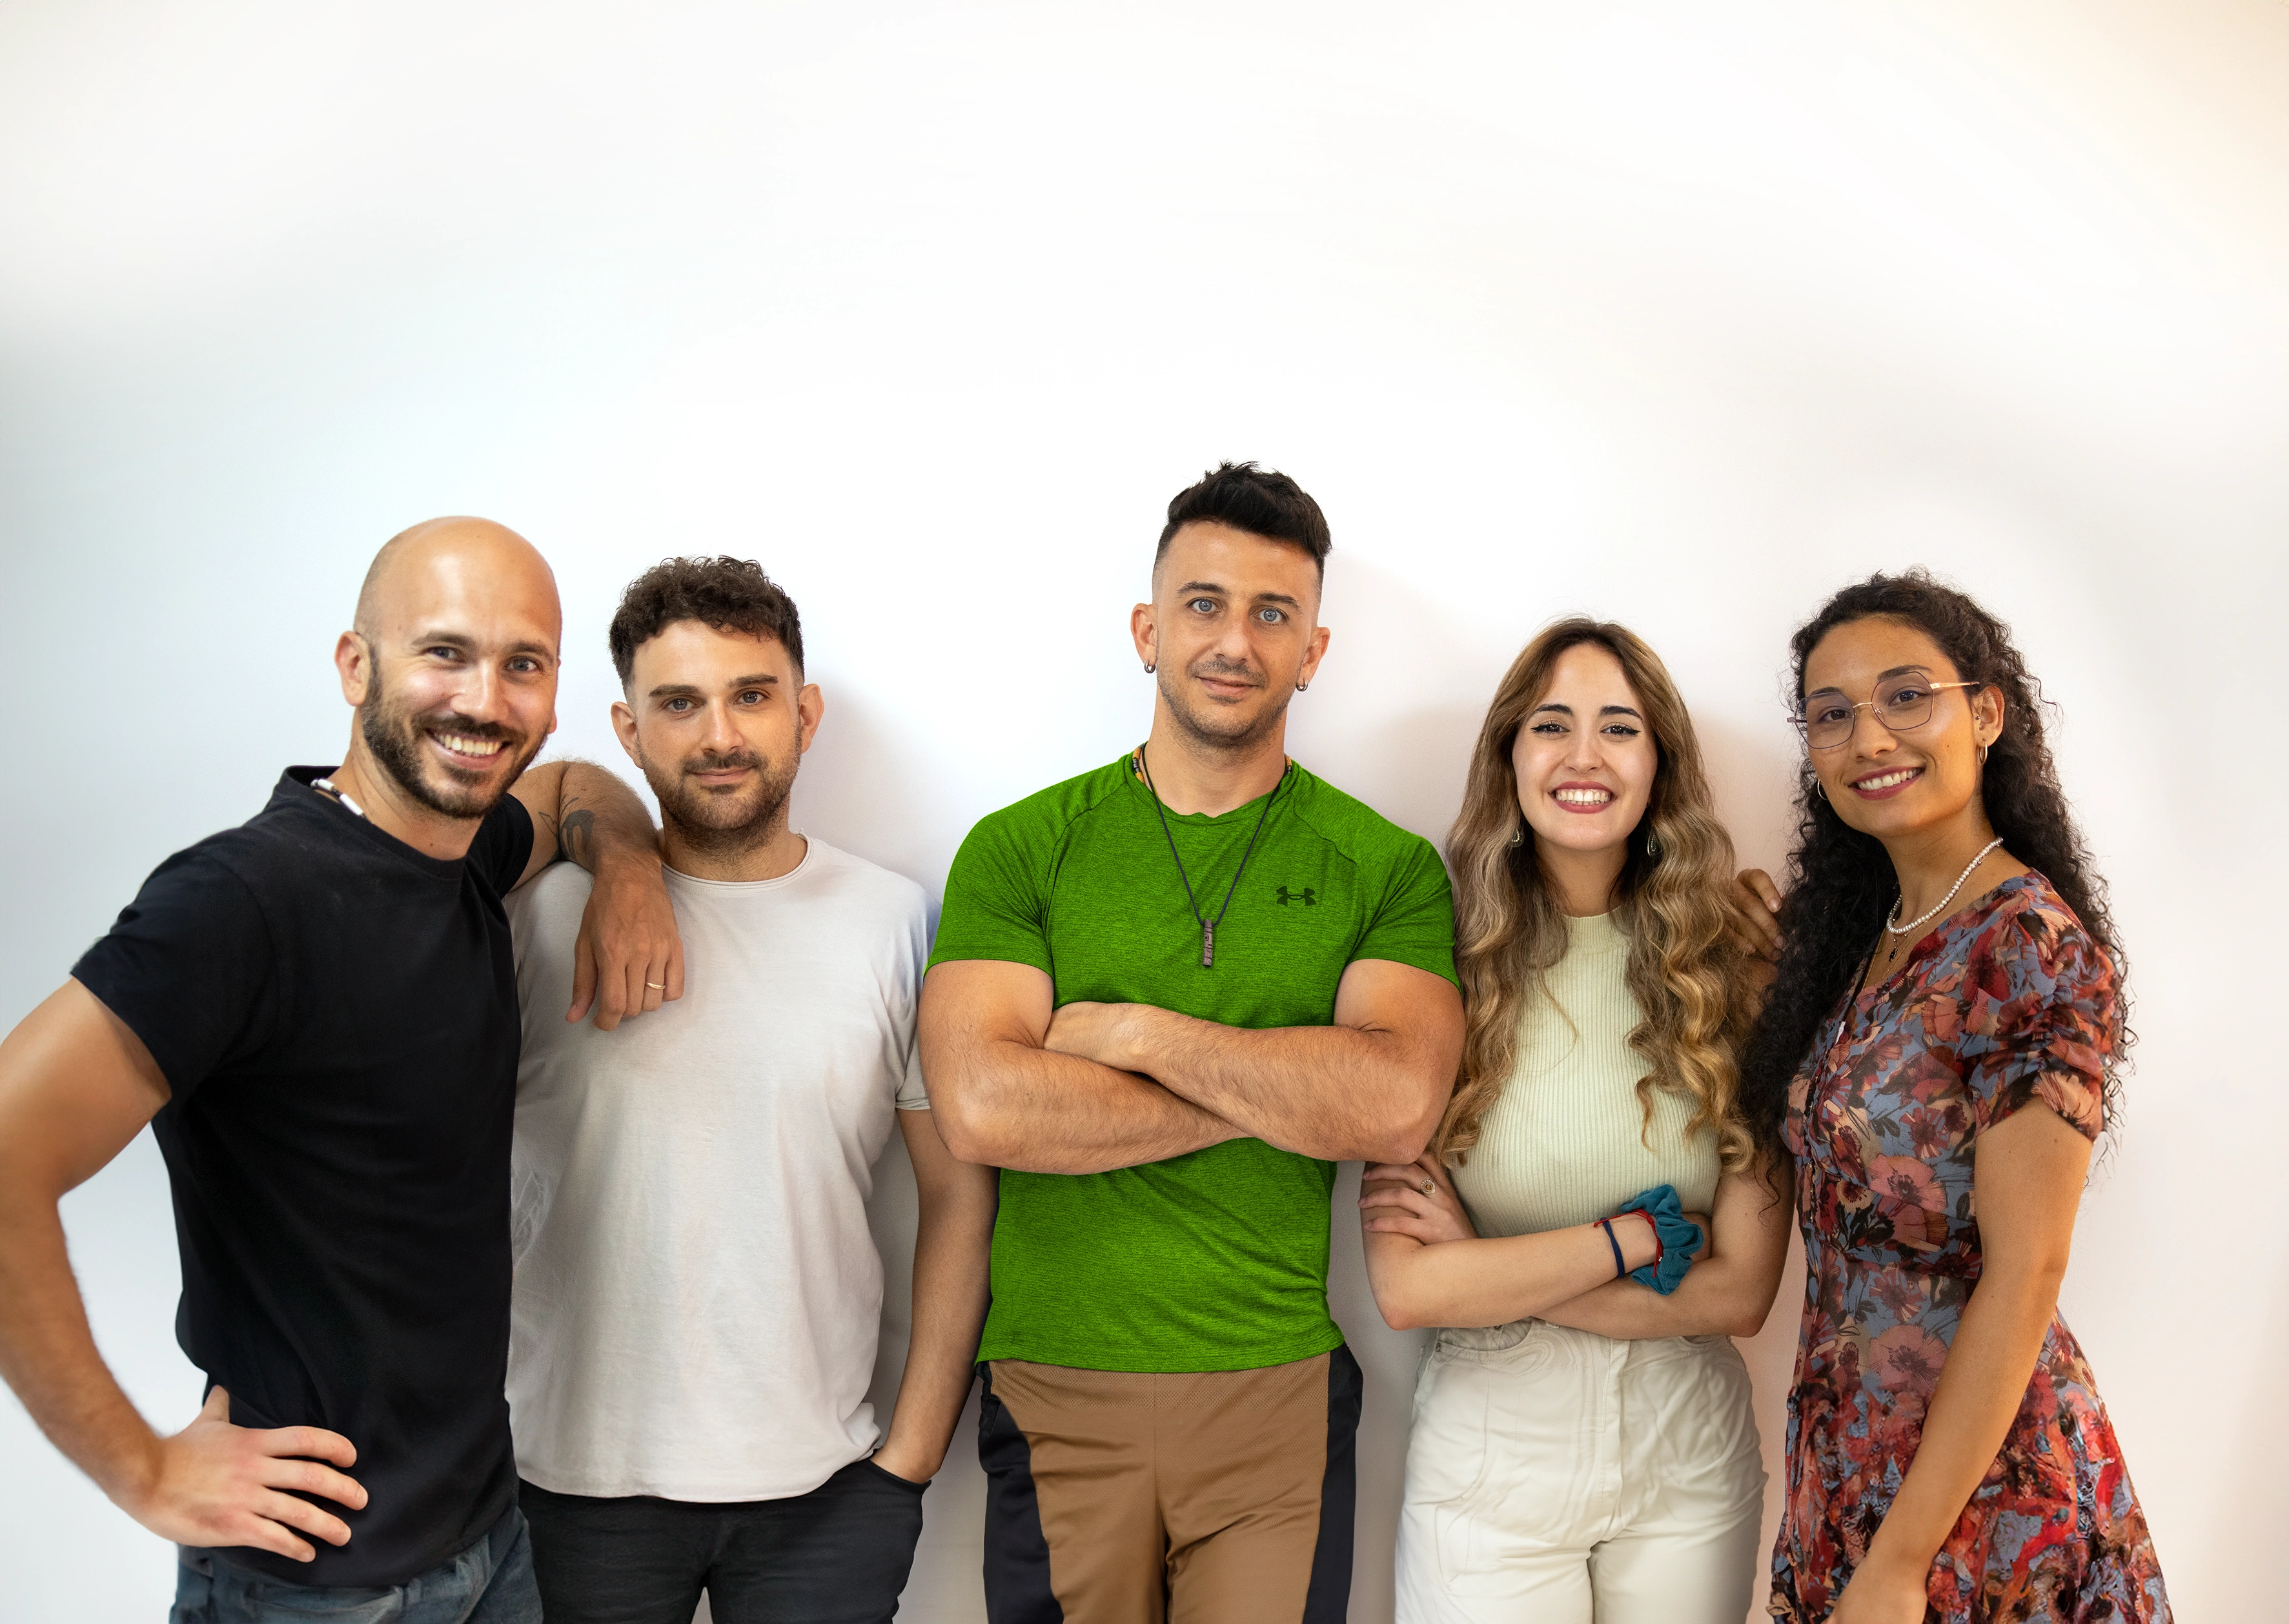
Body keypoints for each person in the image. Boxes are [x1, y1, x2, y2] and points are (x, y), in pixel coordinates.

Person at [0, 518, 682, 1623]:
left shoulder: (463, 855)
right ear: (356, 665)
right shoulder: (241, 901)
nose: (485, 700)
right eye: (444, 653)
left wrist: (629, 870)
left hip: (491, 1543)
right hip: (313, 1584)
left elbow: (567, 795)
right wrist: (142, 1471)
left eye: (524, 665)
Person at [920, 462, 1465, 1623]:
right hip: (1053, 1382)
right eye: (1204, 605)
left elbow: (1396, 1106)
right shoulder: (1020, 849)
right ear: (1147, 630)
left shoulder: (1386, 866)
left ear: (1312, 651)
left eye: (1273, 614)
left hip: (1274, 1392)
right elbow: (983, 1106)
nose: (1235, 641)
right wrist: (1280, 1087)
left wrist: (1132, 1035)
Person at [504, 556, 997, 1624]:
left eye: (751, 695)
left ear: (804, 714)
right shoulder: (534, 918)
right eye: (677, 704)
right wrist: (621, 867)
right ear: (627, 732)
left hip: (822, 1493)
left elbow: (957, 1196)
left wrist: (906, 1462)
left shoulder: (893, 919)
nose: (718, 734)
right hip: (566, 1484)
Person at [1729, 571, 2169, 1623]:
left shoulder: (2026, 945)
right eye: (1830, 715)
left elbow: (2028, 1268)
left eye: (1904, 696)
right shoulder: (1864, 940)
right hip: (1846, 1464)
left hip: (1978, 1499)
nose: (1868, 737)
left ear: (1984, 711)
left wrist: (1898, 1561)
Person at [1358, 618, 1790, 1624]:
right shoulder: (1429, 953)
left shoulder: (1735, 964)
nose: (1583, 757)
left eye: (1619, 729)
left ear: (1659, 764)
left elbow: (1742, 1292)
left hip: (1688, 1455)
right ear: (1508, 754)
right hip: (1490, 1460)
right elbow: (1411, 1288)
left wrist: (1495, 1274)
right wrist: (1634, 1239)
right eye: (1551, 725)